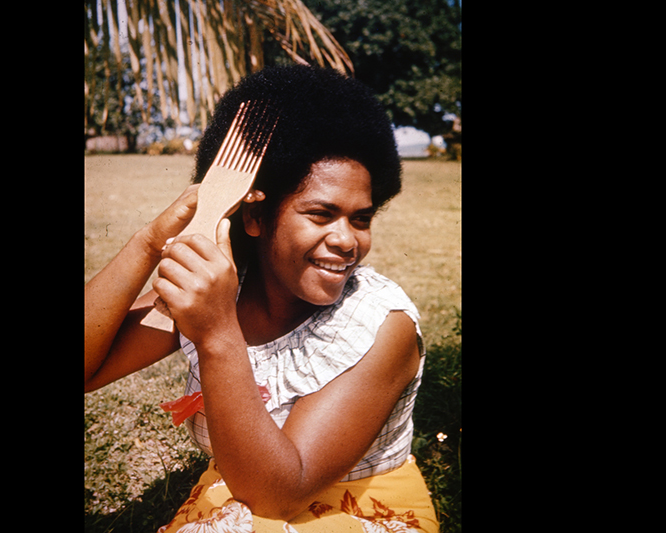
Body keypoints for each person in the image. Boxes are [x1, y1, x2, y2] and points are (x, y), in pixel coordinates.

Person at [84, 65, 438, 533]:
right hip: (247, 496)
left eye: (360, 219)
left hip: (357, 511)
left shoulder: (379, 324)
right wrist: (149, 241)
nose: (346, 240)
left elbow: (279, 494)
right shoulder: (221, 287)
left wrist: (216, 333)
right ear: (255, 217)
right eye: (321, 214)